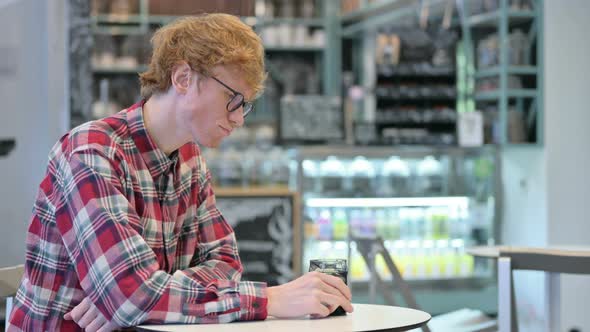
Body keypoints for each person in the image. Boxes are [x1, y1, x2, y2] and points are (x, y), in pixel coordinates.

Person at [7, 13, 352, 332]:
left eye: (245, 105)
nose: (239, 118)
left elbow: (226, 263)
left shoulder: (189, 158)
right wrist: (271, 299)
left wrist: (131, 298)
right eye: (233, 99)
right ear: (183, 77)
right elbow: (132, 297)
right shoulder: (91, 152)